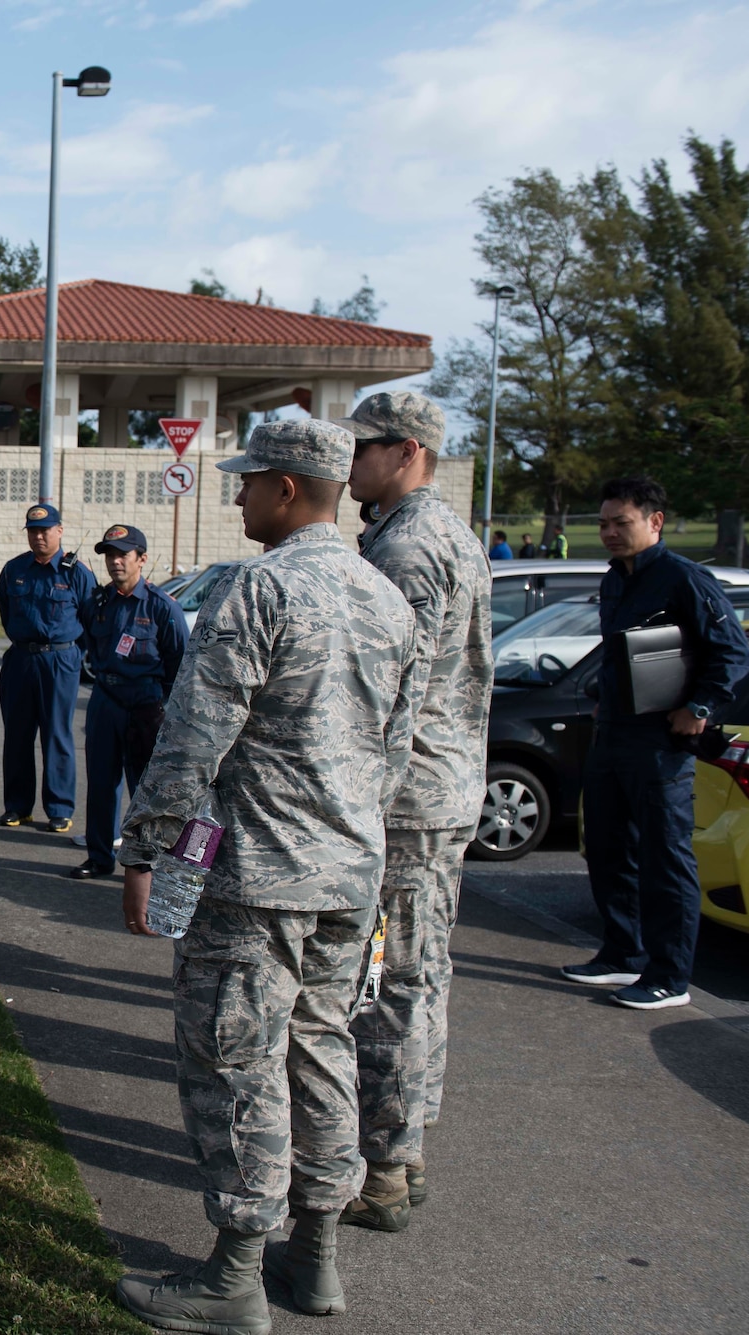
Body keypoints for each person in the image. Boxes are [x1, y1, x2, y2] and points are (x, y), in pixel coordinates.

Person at [114, 420, 423, 1333]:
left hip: (256, 880)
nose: (239, 495)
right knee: (322, 1049)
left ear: (288, 489)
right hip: (347, 879)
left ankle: (235, 1277)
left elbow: (192, 739)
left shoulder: (261, 590)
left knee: (236, 1062)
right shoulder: (387, 599)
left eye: (249, 482)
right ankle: (317, 1258)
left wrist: (143, 851)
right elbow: (394, 756)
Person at [340, 391, 494, 1233]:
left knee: (390, 980)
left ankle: (387, 1166)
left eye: (362, 448)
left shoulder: (407, 546)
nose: (350, 463)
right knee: (423, 971)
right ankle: (408, 1144)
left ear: (406, 451)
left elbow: (396, 688)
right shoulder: (450, 533)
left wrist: (359, 797)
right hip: (445, 789)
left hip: (407, 799)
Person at [561, 475, 749, 1011]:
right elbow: (619, 652)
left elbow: (731, 652)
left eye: (621, 523)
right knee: (606, 845)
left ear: (655, 522)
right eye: (603, 523)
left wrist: (702, 708)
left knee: (664, 856)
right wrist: (602, 694)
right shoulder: (614, 580)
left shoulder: (684, 579)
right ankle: (624, 953)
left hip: (661, 741)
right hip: (614, 731)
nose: (609, 533)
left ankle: (670, 976)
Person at [69, 524, 186, 880]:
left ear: (142, 559)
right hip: (105, 698)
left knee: (145, 788)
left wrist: (161, 707)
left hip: (145, 703)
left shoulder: (162, 608)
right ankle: (99, 856)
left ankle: (145, 865)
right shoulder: (98, 603)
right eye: (109, 554)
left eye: (123, 554)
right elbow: (89, 643)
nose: (115, 561)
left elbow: (179, 662)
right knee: (101, 782)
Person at [0, 503, 97, 833]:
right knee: (17, 736)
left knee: (57, 735)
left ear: (59, 531)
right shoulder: (14, 570)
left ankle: (59, 808)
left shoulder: (76, 573)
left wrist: (69, 655)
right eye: (33, 531)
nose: (39, 536)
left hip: (60, 661)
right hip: (22, 659)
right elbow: (6, 611)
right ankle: (17, 806)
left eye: (45, 530)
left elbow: (91, 620)